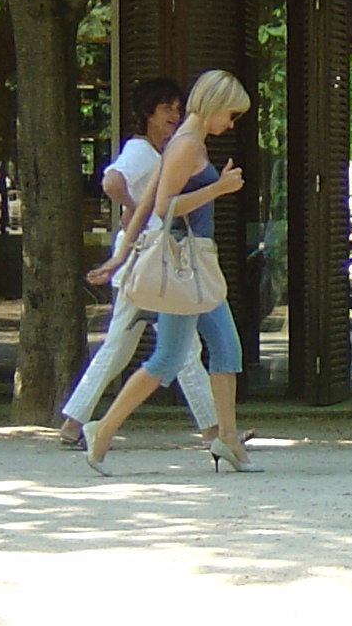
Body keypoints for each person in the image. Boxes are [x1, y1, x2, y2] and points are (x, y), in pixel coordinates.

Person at [82, 70, 255, 474]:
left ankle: (227, 440)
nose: (230, 124)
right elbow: (164, 207)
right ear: (214, 105)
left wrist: (120, 255)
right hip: (185, 265)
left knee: (222, 349)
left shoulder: (184, 144)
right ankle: (102, 430)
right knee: (170, 357)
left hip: (191, 266)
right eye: (230, 114)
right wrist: (219, 188)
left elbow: (145, 206)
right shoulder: (187, 146)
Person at [58, 78, 218, 451]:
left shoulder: (159, 151)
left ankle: (72, 423)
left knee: (122, 347)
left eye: (178, 110)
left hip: (143, 261)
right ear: (148, 113)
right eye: (167, 109)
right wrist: (135, 210)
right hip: (148, 260)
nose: (174, 117)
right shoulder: (141, 150)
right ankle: (215, 431)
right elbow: (112, 182)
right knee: (182, 348)